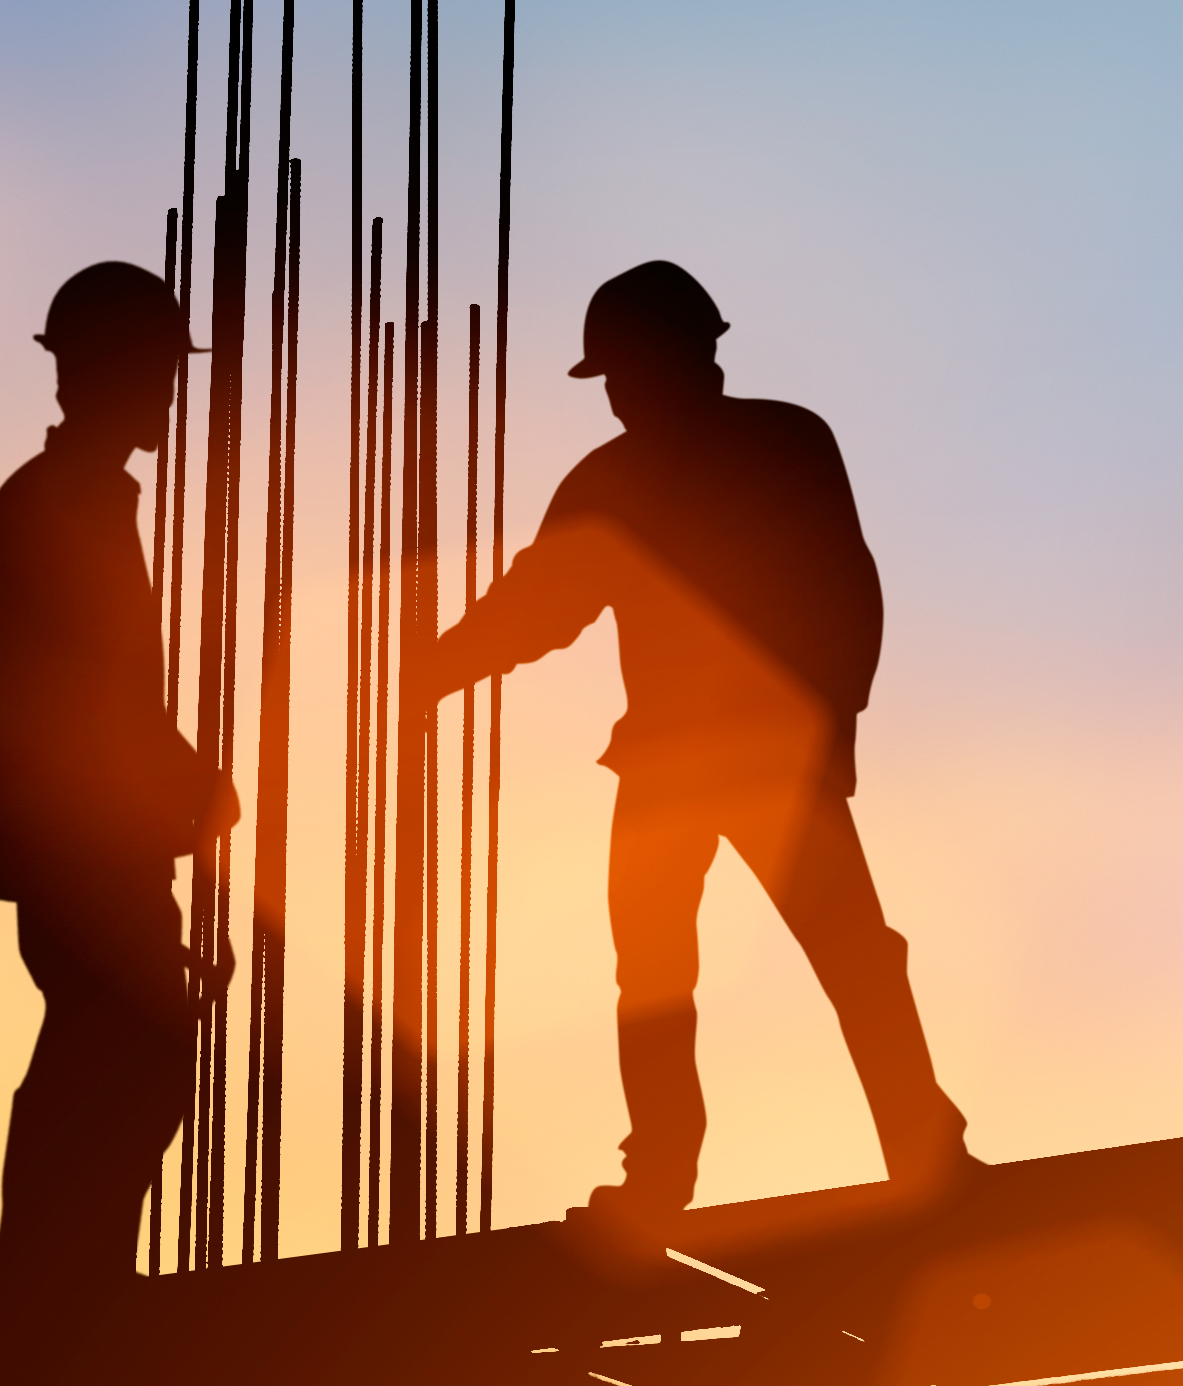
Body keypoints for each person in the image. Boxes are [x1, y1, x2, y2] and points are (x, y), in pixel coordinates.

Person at [416, 258, 970, 1232]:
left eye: (624, 373)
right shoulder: (627, 477)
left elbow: (844, 585)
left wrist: (834, 721)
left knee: (837, 961)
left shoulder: (772, 446)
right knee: (668, 972)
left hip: (756, 756)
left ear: (681, 357)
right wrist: (438, 667)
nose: (618, 396)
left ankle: (918, 1151)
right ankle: (669, 1175)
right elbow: (541, 606)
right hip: (680, 761)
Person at [0, 259, 239, 1304]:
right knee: (122, 1060)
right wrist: (193, 782)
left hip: (98, 841)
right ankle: (52, 1283)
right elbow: (92, 684)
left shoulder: (76, 498)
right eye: (156, 373)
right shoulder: (62, 504)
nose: (168, 393)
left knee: (124, 1060)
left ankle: (70, 1277)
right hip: (81, 842)